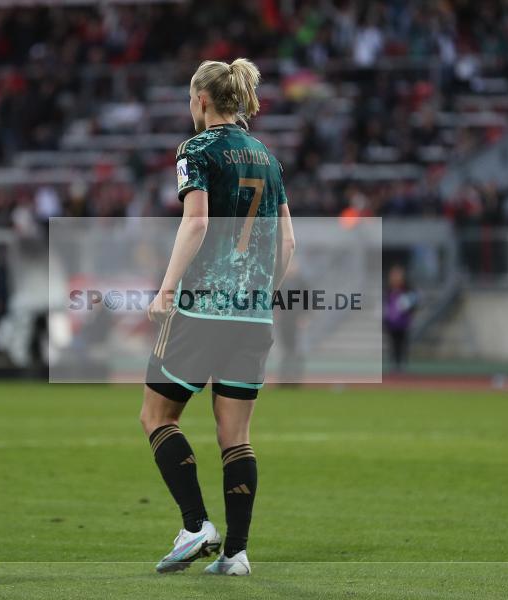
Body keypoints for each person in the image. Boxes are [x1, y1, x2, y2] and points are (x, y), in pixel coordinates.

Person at [139, 58, 295, 576]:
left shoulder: (197, 149)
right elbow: (288, 242)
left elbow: (197, 222)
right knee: (237, 436)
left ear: (202, 100)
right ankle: (236, 554)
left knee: (157, 416)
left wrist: (165, 290)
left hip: (202, 307)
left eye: (190, 98)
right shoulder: (268, 159)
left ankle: (195, 525)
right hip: (253, 316)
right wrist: (259, 296)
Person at [383, 265, 418, 372]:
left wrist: (407, 307)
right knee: (393, 344)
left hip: (403, 322)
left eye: (398, 275)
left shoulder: (407, 289)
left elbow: (414, 303)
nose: (395, 278)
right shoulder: (388, 290)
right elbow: (385, 305)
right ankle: (394, 365)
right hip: (391, 322)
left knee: (403, 343)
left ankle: (402, 365)